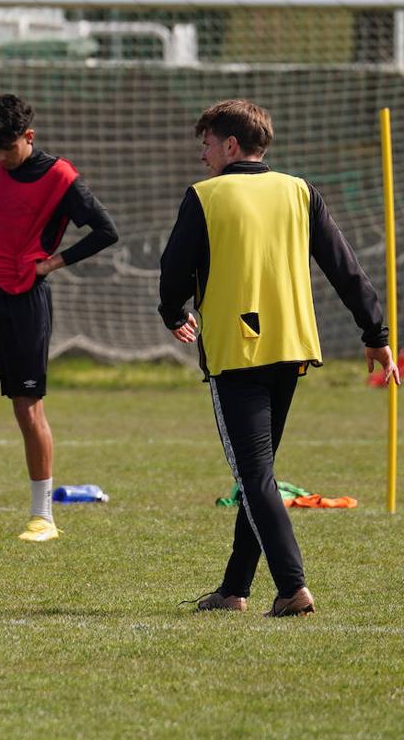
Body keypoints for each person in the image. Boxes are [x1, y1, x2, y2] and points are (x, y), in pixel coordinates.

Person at [159, 98, 398, 617]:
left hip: (237, 350)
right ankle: (234, 589)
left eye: (206, 144)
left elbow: (173, 269)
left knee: (254, 476)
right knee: (258, 473)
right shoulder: (299, 191)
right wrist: (375, 333)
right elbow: (345, 267)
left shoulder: (205, 196)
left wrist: (171, 310)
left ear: (230, 145)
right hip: (291, 347)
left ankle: (292, 588)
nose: (202, 155)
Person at [0, 94, 119, 541]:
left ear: (28, 137)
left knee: (27, 410)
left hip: (24, 303)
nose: (1, 158)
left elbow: (106, 231)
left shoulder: (62, 178)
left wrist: (52, 263)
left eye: (7, 148)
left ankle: (43, 516)